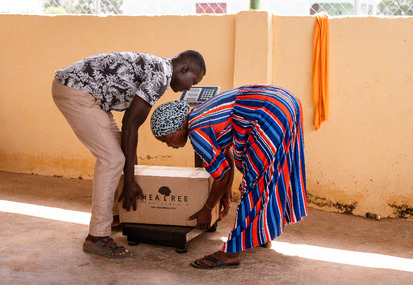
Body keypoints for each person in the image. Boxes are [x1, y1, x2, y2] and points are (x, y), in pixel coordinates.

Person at [52, 50, 206, 258]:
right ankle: (97, 236)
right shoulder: (161, 76)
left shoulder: (158, 68)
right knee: (113, 159)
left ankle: (117, 215)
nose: (189, 87)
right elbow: (131, 125)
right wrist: (131, 181)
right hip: (76, 91)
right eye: (193, 81)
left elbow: (128, 131)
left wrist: (133, 174)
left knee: (120, 152)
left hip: (87, 94)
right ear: (185, 69)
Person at [150, 85, 307, 269]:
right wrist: (226, 194)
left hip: (270, 110)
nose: (170, 146)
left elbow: (221, 175)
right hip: (285, 101)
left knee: (255, 181)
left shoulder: (196, 131)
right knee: (272, 174)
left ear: (176, 126)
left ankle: (231, 253)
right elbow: (226, 157)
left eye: (168, 140)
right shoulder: (201, 113)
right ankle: (261, 233)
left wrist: (207, 209)